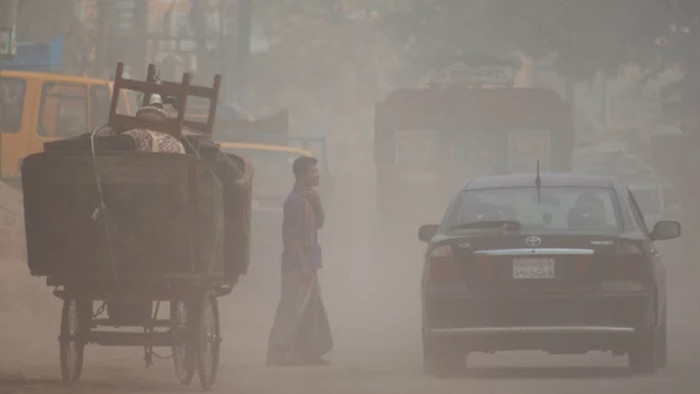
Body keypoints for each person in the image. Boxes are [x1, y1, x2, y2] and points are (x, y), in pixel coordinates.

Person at [267, 156, 333, 366]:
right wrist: (303, 266)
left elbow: (319, 225)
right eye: (313, 172)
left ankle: (309, 352)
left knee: (312, 310)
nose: (317, 175)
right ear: (303, 175)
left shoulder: (309, 198)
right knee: (291, 310)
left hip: (310, 262)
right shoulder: (295, 201)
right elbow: (292, 238)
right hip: (298, 265)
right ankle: (279, 354)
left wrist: (317, 202)